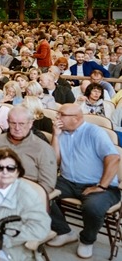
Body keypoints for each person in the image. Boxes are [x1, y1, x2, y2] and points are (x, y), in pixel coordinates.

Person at [47, 103, 121, 259]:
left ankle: (87, 240)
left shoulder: (94, 132)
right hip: (67, 181)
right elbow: (54, 161)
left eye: (61, 115)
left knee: (93, 207)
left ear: (76, 118)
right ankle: (64, 231)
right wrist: (55, 135)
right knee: (39, 192)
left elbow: (113, 158)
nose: (57, 118)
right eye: (57, 114)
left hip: (100, 184)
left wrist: (101, 186)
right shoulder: (62, 133)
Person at [0, 105, 57, 193]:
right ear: (7, 122)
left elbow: (47, 184)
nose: (17, 128)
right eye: (13, 123)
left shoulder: (43, 148)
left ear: (30, 124)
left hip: (27, 194)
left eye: (21, 124)